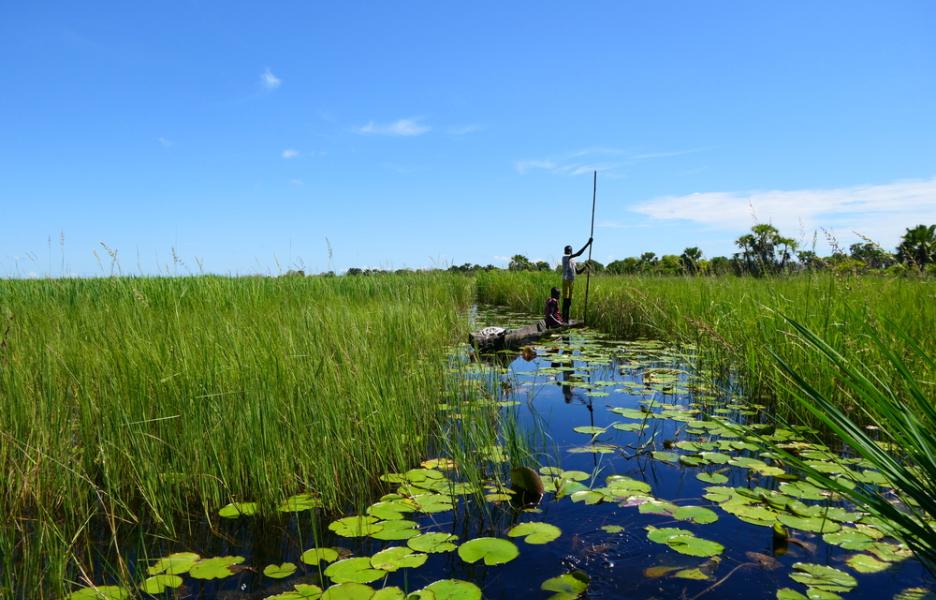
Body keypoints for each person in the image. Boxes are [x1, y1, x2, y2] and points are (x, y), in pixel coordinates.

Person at [560, 237, 593, 322]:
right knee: (566, 301)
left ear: (571, 251)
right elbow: (579, 254)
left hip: (572, 281)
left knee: (569, 301)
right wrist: (588, 244)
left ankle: (566, 319)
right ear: (565, 252)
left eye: (569, 250)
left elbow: (577, 272)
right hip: (566, 281)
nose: (568, 252)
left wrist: (585, 266)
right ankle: (564, 319)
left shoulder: (573, 260)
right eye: (567, 250)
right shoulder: (565, 257)